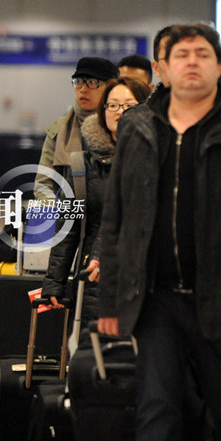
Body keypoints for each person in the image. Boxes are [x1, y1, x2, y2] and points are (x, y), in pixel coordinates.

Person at [98, 24, 221, 441]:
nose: (192, 62)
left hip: (216, 295)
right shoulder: (139, 126)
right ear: (164, 67)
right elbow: (116, 217)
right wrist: (111, 301)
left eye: (202, 54)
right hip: (157, 298)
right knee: (157, 410)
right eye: (182, 55)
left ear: (218, 66)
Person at [41, 78, 151, 332]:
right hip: (93, 278)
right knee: (93, 347)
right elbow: (67, 226)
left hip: (143, 277)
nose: (120, 112)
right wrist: (54, 282)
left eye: (128, 105)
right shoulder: (81, 165)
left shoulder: (155, 160)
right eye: (112, 105)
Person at [34, 57, 119, 201]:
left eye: (92, 82)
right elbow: (44, 184)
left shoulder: (120, 126)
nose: (83, 89)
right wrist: (58, 212)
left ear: (110, 87)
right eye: (78, 82)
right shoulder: (60, 130)